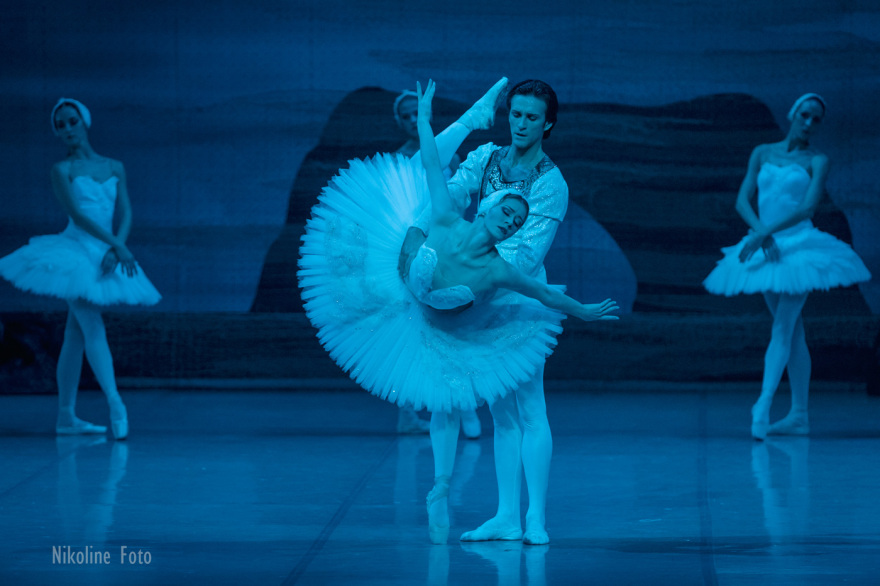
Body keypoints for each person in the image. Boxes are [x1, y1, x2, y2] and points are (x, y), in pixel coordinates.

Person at [299, 78, 618, 544]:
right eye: (517, 114)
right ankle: (507, 515)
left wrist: (462, 280)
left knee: (529, 407)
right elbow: (438, 189)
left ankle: (536, 520)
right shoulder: (487, 156)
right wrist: (425, 258)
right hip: (461, 282)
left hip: (510, 294)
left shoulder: (551, 183)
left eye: (532, 117)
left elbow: (525, 256)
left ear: (548, 123)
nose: (522, 124)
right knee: (500, 413)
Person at [703, 93, 870, 440]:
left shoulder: (818, 160)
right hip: (768, 248)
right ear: (793, 114)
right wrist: (760, 236)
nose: (809, 123)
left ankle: (762, 405)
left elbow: (807, 208)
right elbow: (742, 199)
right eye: (805, 115)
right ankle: (799, 415)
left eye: (816, 119)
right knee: (793, 333)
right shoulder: (762, 152)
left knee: (783, 326)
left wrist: (762, 233)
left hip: (800, 249)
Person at [0, 98, 161, 440]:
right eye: (60, 125)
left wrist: (117, 246)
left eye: (72, 121)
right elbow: (79, 216)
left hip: (105, 250)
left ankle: (66, 417)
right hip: (74, 251)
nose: (67, 129)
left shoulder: (115, 166)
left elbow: (127, 212)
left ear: (85, 122)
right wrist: (116, 246)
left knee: (74, 335)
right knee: (92, 326)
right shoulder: (62, 170)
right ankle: (116, 404)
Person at [392, 88, 478, 439]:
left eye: (418, 113)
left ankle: (464, 406)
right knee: (411, 329)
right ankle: (409, 411)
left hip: (444, 246)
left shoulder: (450, 156)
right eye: (407, 115)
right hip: (413, 248)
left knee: (454, 325)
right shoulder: (399, 160)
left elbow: (459, 202)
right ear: (399, 121)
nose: (413, 120)